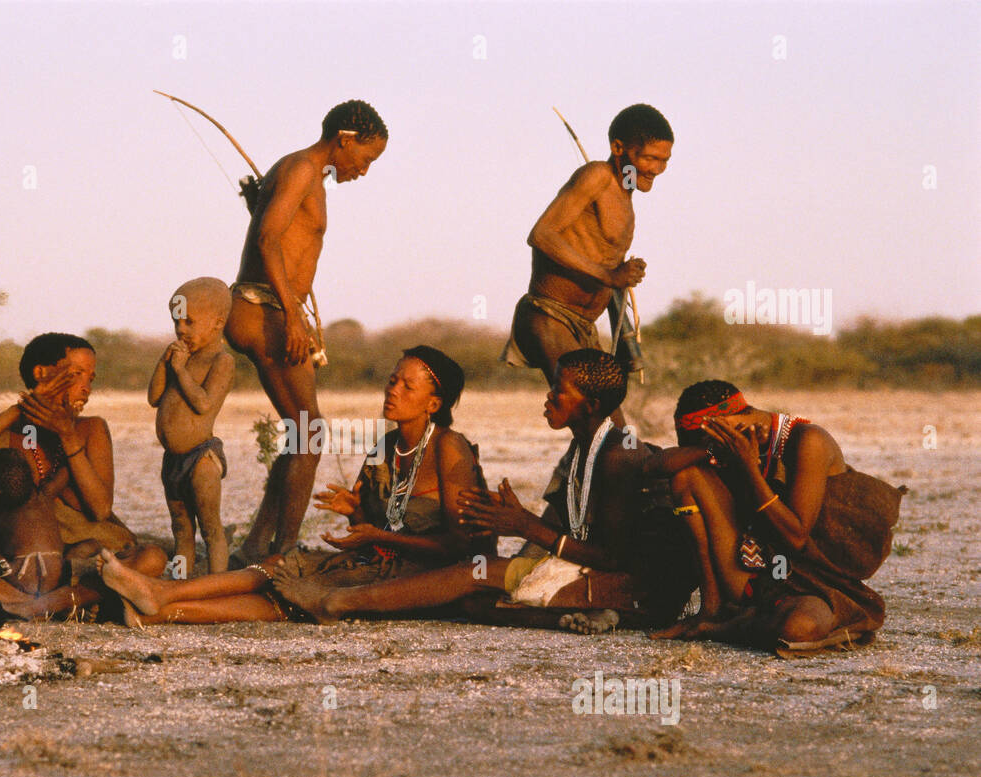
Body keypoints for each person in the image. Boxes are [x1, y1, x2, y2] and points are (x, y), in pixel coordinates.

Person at [271, 350, 697, 631]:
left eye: (559, 391)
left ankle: (339, 604)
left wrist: (523, 525)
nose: (548, 399)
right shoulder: (587, 445)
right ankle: (578, 614)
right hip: (596, 573)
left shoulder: (616, 455)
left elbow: (612, 556)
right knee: (474, 602)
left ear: (589, 405)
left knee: (475, 572)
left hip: (633, 584)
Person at [96, 346, 488, 625]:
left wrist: (372, 535)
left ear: (433, 404)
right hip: (381, 560)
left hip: (425, 578)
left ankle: (162, 603)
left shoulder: (449, 447)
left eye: (408, 386)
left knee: (292, 594)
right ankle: (159, 602)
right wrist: (355, 511)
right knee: (278, 567)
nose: (392, 390)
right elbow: (377, 526)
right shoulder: (386, 445)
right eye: (392, 380)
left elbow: (459, 547)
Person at [227, 99, 389, 564]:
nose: (364, 169)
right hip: (263, 309)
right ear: (346, 139)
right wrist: (292, 316)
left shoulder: (304, 174)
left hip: (272, 308)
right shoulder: (300, 167)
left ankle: (258, 547)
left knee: (301, 433)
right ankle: (283, 554)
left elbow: (275, 230)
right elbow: (266, 239)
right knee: (310, 433)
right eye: (366, 158)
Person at [648, 380, 905, 651]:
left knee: (798, 629)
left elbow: (796, 538)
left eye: (705, 441)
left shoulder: (809, 441)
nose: (709, 450)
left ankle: (722, 628)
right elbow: (654, 466)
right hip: (756, 574)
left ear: (721, 423)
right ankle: (711, 610)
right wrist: (710, 449)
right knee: (686, 475)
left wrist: (748, 467)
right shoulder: (729, 445)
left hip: (813, 584)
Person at [0, 332, 166, 578]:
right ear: (41, 374)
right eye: (76, 374)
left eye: (91, 378)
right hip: (19, 548)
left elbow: (100, 509)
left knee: (150, 559)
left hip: (87, 545)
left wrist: (67, 436)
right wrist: (20, 409)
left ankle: (68, 578)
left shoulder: (90, 429)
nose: (86, 388)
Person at [500, 104, 674, 423]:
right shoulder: (597, 176)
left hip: (584, 329)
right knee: (600, 421)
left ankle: (573, 474)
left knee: (602, 426)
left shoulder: (626, 201)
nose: (656, 168)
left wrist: (623, 278)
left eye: (664, 161)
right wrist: (608, 274)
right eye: (649, 157)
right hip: (550, 315)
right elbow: (542, 235)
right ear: (618, 148)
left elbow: (605, 267)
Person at [0, 447, 103, 618]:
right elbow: (66, 471)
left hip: (19, 576)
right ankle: (52, 602)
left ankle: (26, 602)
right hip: (57, 572)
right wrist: (71, 447)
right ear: (31, 478)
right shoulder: (46, 493)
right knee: (94, 546)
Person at [150, 278, 237, 575]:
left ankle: (218, 587)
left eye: (189, 322)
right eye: (177, 322)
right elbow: (153, 397)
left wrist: (178, 370)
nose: (181, 330)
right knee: (181, 529)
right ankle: (179, 585)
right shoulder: (178, 358)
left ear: (217, 323)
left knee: (211, 526)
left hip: (202, 458)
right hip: (173, 459)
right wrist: (165, 363)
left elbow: (203, 404)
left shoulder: (221, 361)